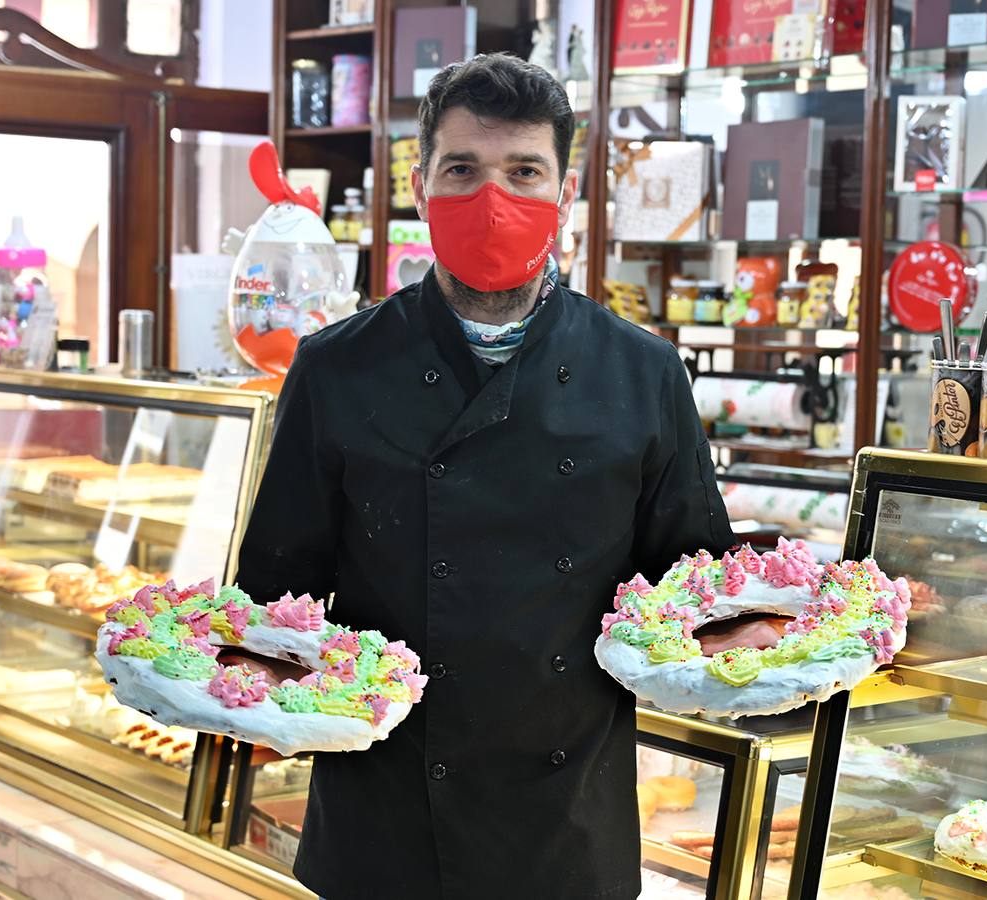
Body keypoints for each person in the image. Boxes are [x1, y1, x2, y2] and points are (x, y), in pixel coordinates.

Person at [236, 53, 734, 900]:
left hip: (565, 828)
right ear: (420, 188)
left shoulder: (641, 371)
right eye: (462, 170)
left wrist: (790, 633)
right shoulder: (335, 368)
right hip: (381, 820)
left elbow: (697, 593)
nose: (492, 198)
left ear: (564, 194)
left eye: (523, 172)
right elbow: (273, 603)